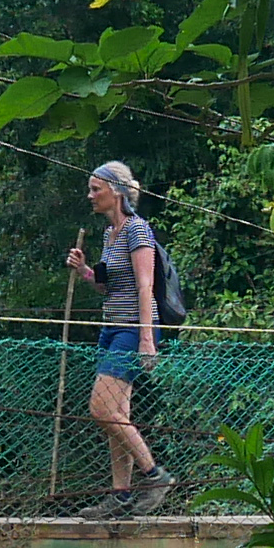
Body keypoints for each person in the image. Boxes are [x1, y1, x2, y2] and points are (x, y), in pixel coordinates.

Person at [63, 162, 175, 510]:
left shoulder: (138, 231)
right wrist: (84, 269)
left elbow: (145, 287)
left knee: (101, 408)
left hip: (132, 329)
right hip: (111, 327)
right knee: (116, 414)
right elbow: (107, 285)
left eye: (96, 188)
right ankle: (120, 495)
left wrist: (146, 340)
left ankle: (156, 475)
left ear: (116, 190)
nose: (90, 195)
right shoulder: (110, 235)